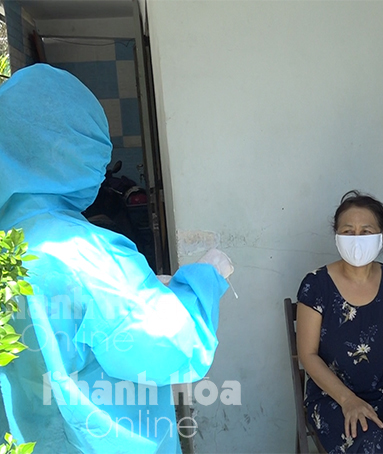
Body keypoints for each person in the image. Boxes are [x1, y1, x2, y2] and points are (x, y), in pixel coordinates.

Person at [0, 64, 233, 453]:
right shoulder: (85, 252)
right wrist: (201, 282)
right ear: (70, 152)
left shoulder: (13, 243)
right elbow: (166, 347)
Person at [296, 190, 383, 454]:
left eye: (366, 231)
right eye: (348, 231)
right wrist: (347, 400)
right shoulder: (316, 286)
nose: (356, 239)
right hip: (332, 397)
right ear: (336, 235)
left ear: (382, 234)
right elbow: (308, 355)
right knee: (370, 444)